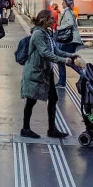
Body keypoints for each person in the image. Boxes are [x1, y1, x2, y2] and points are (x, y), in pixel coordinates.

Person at [20, 9, 78, 139]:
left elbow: (55, 50)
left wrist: (71, 55)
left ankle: (52, 129)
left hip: (46, 71)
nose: (54, 20)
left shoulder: (47, 32)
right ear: (44, 20)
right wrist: (64, 60)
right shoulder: (38, 34)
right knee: (31, 100)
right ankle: (25, 129)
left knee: (53, 99)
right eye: (52, 18)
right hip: (35, 72)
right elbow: (45, 52)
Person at [55, 0, 84, 88]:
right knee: (67, 60)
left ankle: (63, 81)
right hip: (71, 39)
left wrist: (59, 28)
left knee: (63, 60)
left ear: (66, 3)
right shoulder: (70, 11)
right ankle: (83, 72)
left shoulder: (67, 11)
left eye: (63, 2)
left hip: (69, 40)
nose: (61, 4)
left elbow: (70, 23)